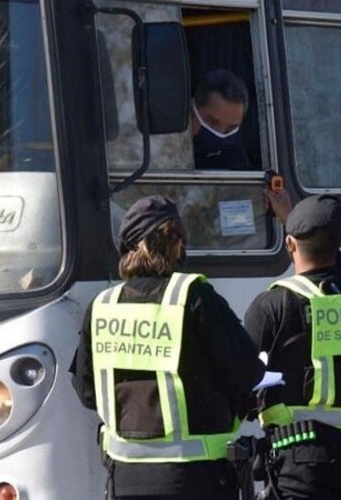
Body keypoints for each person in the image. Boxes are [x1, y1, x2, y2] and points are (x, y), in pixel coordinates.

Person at [71, 195, 266, 500]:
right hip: (195, 479)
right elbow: (247, 370)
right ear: (170, 244)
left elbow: (86, 391)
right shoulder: (194, 297)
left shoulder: (102, 306)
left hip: (125, 480)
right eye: (181, 240)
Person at [244, 194, 341, 499]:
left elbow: (246, 379)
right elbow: (339, 266)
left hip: (300, 462)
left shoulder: (273, 305)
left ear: (289, 245)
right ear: (339, 242)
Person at [191, 69, 250, 170]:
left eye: (230, 128)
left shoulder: (239, 165)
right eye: (212, 123)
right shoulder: (163, 153)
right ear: (192, 110)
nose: (221, 134)